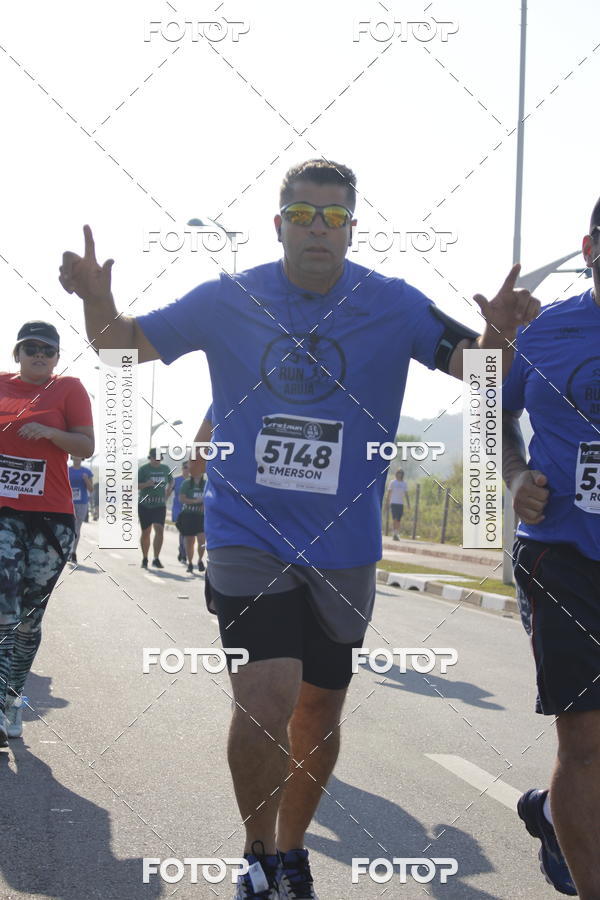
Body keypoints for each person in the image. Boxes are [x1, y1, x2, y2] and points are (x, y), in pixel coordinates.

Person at [59, 159, 538, 899]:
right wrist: (98, 298)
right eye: (305, 216)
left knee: (318, 709)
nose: (320, 229)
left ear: (352, 227)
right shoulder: (229, 297)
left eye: (335, 217)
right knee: (266, 696)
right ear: (278, 224)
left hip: (344, 545)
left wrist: (498, 333)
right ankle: (256, 859)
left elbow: (481, 371)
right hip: (247, 532)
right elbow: (122, 344)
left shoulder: (393, 303)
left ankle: (290, 851)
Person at [503, 200, 600, 899]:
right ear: (590, 249)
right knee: (586, 742)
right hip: (561, 558)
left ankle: (552, 815)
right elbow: (490, 407)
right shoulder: (546, 331)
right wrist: (514, 476)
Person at [0, 321, 94, 745]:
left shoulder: (68, 389)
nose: (39, 355)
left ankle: (13, 698)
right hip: (4, 514)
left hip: (51, 518)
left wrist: (52, 433)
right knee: (4, 608)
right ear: (17, 353)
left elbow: (86, 446)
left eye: (48, 350)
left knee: (29, 619)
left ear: (57, 357)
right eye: (31, 348)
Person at [137, 449, 173, 569]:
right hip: (145, 505)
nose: (157, 460)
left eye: (159, 458)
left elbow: (171, 481)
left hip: (159, 505)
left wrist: (168, 491)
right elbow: (134, 485)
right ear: (150, 458)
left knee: (159, 529)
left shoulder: (165, 469)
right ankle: (145, 558)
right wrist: (146, 484)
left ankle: (156, 558)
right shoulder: (143, 469)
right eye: (154, 458)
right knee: (146, 532)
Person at [177, 472, 207, 573]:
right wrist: (195, 501)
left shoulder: (206, 484)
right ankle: (190, 562)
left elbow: (210, 497)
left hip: (201, 516)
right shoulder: (186, 483)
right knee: (190, 541)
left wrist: (204, 504)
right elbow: (181, 498)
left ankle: (200, 560)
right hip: (188, 515)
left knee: (202, 540)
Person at [68, 456, 93, 564]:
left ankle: (73, 552)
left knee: (77, 528)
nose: (77, 457)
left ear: (82, 457)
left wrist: (86, 480)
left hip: (82, 502)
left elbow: (91, 489)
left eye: (79, 455)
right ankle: (68, 550)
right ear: (72, 456)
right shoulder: (67, 470)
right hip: (68, 502)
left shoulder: (87, 471)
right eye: (75, 454)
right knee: (69, 527)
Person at [171, 460, 190, 563]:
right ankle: (183, 553)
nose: (187, 470)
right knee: (183, 531)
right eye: (186, 468)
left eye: (189, 468)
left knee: (187, 533)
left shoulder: (194, 480)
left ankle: (183, 551)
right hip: (178, 509)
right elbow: (167, 492)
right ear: (182, 468)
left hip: (190, 510)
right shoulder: (175, 480)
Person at [386, 468, 410, 540]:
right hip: (393, 503)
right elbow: (389, 493)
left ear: (402, 475)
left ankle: (396, 533)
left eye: (401, 473)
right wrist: (387, 503)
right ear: (396, 474)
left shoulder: (404, 484)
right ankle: (394, 533)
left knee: (399, 519)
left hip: (400, 503)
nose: (400, 474)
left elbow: (406, 494)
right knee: (394, 518)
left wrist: (408, 504)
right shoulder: (393, 482)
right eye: (399, 473)